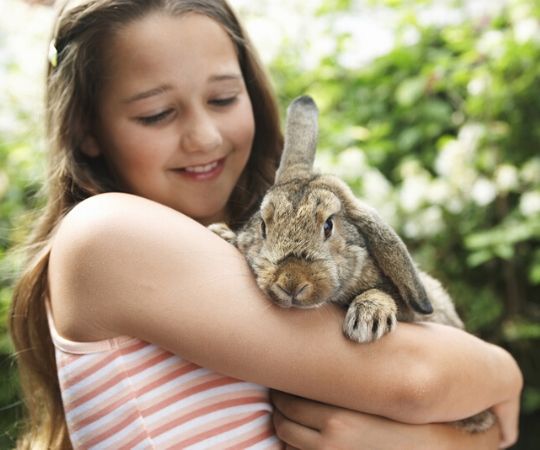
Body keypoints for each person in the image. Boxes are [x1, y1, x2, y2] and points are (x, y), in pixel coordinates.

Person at [9, 0, 522, 448]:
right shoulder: (106, 236)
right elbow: (419, 379)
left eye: (223, 99)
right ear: (86, 128)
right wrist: (505, 373)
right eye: (157, 113)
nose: (206, 137)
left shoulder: (252, 242)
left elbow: (492, 432)